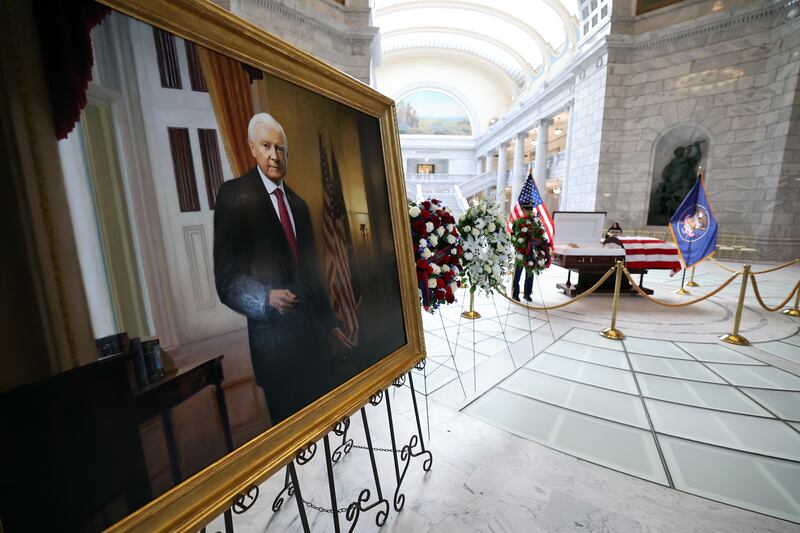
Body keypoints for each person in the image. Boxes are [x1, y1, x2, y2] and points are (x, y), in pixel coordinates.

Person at [213, 112, 354, 423]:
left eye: (281, 149)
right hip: (277, 353)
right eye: (266, 146)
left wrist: (331, 325)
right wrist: (265, 298)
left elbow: (315, 276)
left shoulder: (299, 205)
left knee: (326, 431)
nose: (275, 156)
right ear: (252, 148)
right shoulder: (233, 196)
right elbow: (227, 281)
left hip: (317, 347)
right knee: (295, 446)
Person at [511, 204, 534, 302]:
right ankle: (515, 294)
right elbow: (513, 235)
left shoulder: (535, 222)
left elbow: (538, 236)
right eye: (526, 210)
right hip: (521, 251)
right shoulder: (517, 222)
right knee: (518, 274)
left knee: (530, 274)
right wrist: (516, 244)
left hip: (530, 251)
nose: (528, 212)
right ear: (523, 210)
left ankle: (527, 294)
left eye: (530, 210)